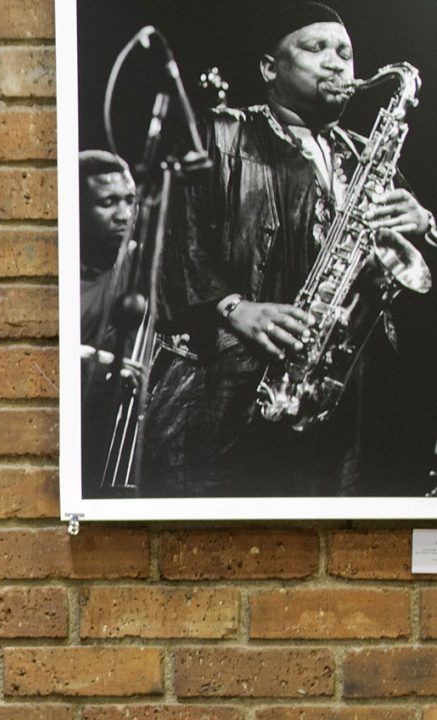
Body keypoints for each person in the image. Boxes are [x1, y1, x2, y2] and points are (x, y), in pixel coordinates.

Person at [143, 1, 437, 497]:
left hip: (346, 395)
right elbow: (170, 240)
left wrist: (425, 224)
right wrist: (233, 307)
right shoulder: (222, 133)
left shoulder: (364, 154)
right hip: (236, 389)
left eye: (345, 53)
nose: (337, 63)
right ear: (269, 68)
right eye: (316, 48)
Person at [75, 150, 140, 496]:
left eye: (130, 200)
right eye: (108, 203)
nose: (124, 215)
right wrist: (85, 359)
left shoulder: (142, 264)